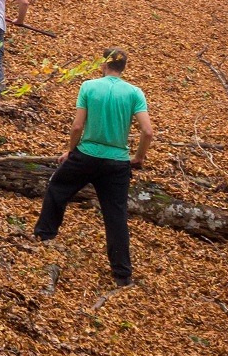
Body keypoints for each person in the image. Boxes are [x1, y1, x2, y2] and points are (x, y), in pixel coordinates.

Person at [35, 47, 155, 287]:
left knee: (57, 188)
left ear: (104, 64)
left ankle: (44, 237)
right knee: (116, 216)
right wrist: (139, 158)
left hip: (86, 155)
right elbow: (148, 132)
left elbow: (77, 127)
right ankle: (122, 275)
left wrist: (70, 150)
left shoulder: (89, 86)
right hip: (118, 163)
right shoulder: (134, 93)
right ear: (124, 67)